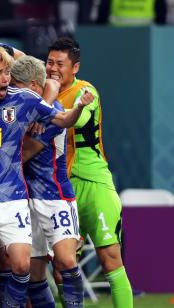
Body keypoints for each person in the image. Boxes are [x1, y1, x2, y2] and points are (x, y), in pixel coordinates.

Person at [0, 46, 90, 307]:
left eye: (9, 75)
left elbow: (54, 123)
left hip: (49, 196)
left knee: (59, 262)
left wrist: (79, 108)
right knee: (20, 274)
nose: (7, 80)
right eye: (0, 74)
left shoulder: (29, 104)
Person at [46, 37, 133, 308]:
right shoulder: (44, 93)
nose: (53, 69)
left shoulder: (87, 92)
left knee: (110, 259)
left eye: (60, 64)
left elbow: (77, 119)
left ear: (75, 68)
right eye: (49, 62)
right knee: (62, 264)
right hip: (61, 189)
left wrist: (46, 107)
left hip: (94, 183)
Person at [11, 55, 85, 308]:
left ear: (32, 86)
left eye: (16, 86)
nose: (12, 92)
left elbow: (22, 155)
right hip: (25, 199)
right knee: (34, 274)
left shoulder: (52, 116)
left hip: (55, 197)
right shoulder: (22, 113)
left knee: (66, 262)